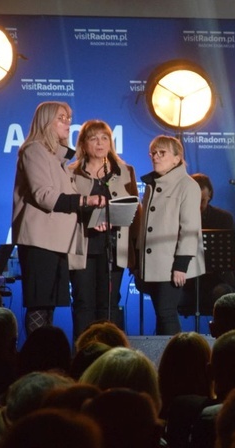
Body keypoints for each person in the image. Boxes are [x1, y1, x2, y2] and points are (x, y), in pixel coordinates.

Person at [11, 101, 106, 335]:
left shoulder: (58, 158)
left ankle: (45, 359)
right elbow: (44, 196)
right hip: (39, 242)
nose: (67, 123)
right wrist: (86, 200)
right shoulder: (34, 150)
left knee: (48, 307)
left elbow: (67, 199)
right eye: (61, 118)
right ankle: (36, 362)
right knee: (39, 307)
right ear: (46, 121)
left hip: (55, 243)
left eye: (69, 118)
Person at [68, 120, 139, 338]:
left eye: (104, 138)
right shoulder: (71, 171)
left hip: (114, 247)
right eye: (93, 138)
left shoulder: (125, 171)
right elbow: (65, 208)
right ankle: (83, 354)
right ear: (83, 144)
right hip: (83, 246)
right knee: (83, 302)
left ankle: (112, 356)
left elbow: (134, 208)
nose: (100, 143)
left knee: (109, 303)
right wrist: (90, 217)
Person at [136, 135, 205, 335]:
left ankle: (175, 362)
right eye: (153, 153)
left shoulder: (187, 185)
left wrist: (181, 265)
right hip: (153, 263)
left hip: (172, 264)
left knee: (166, 312)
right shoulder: (153, 184)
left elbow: (190, 228)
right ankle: (163, 359)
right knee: (162, 314)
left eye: (162, 153)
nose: (156, 157)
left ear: (177, 158)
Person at [179, 173, 235, 318]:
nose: (198, 206)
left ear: (210, 195)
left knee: (223, 295)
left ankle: (224, 338)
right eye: (194, 201)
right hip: (186, 282)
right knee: (169, 296)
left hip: (216, 281)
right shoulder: (177, 217)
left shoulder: (224, 218)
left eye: (202, 201)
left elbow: (232, 254)